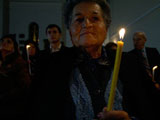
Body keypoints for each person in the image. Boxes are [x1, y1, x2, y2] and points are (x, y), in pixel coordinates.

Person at [31, 0, 131, 120]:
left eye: (94, 18)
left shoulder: (129, 63)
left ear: (106, 26)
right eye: (79, 20)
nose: (87, 24)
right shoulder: (49, 65)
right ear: (69, 29)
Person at [121, 31, 160, 120]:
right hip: (143, 90)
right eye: (134, 40)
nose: (135, 42)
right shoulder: (130, 55)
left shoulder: (153, 51)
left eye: (138, 39)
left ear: (144, 40)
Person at [0, 34, 31, 119]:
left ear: (14, 48)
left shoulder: (18, 62)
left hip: (11, 105)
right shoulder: (2, 62)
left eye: (8, 42)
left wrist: (6, 95)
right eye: (2, 41)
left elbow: (24, 85)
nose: (4, 44)